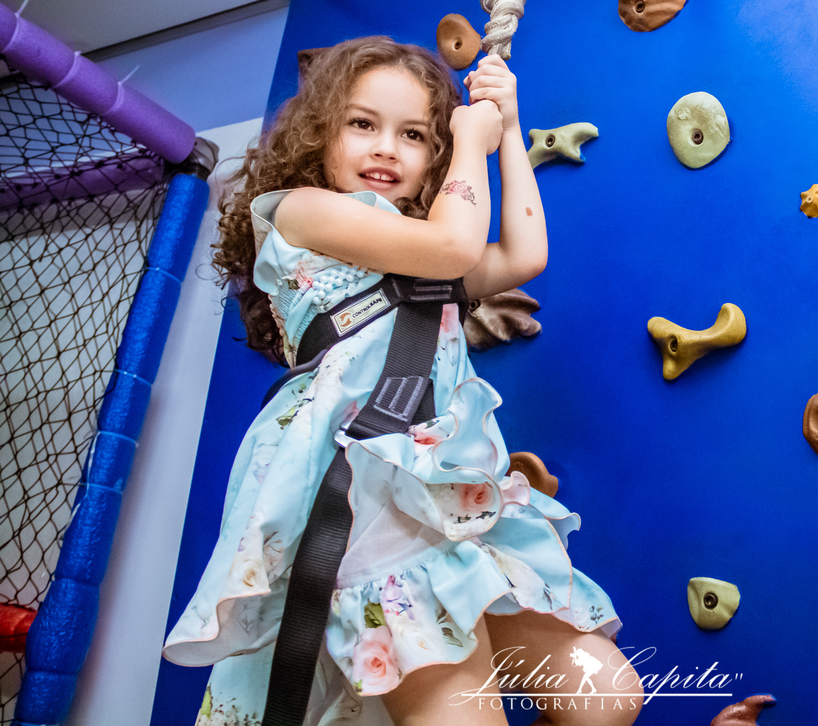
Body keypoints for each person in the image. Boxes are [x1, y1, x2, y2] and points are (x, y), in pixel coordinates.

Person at [163, 37, 643, 726]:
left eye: (414, 135)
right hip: (367, 507)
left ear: (432, 164)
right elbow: (453, 245)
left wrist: (506, 129)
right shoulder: (300, 210)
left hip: (449, 505)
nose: (387, 148)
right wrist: (468, 142)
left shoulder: (423, 254)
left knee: (608, 701)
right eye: (363, 124)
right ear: (319, 136)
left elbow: (522, 254)